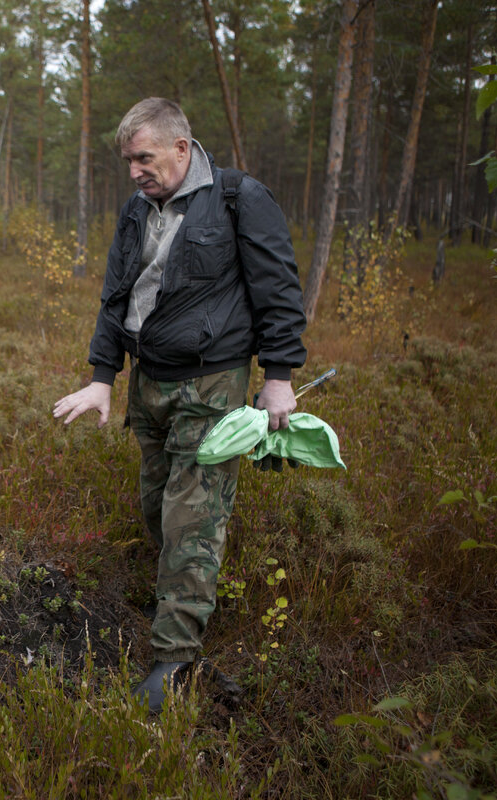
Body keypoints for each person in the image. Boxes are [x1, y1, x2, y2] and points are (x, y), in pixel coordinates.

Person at [52, 98, 307, 714]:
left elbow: (278, 286)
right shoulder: (136, 210)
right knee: (159, 507)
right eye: (128, 161)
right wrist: (101, 376)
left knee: (193, 521)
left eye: (144, 157)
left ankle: (172, 661)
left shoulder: (239, 198)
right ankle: (179, 597)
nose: (135, 170)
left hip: (212, 385)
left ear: (181, 148)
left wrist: (278, 376)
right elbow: (117, 295)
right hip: (150, 385)